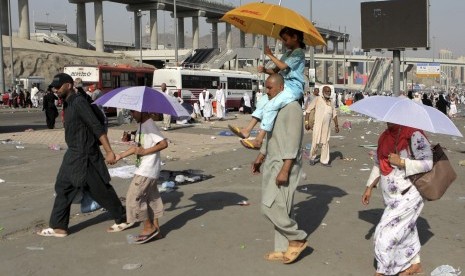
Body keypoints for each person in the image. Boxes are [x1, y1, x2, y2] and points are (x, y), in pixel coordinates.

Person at [37, 73, 132, 238]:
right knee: (63, 187)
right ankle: (59, 227)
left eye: (59, 86)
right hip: (73, 153)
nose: (56, 89)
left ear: (69, 85)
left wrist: (109, 151)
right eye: (54, 87)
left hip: (86, 155)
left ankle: (123, 217)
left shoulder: (79, 102)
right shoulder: (68, 103)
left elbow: (96, 127)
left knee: (100, 189)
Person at [362, 122, 433, 276]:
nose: (389, 121)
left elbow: (428, 163)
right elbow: (378, 162)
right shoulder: (385, 136)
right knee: (407, 229)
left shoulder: (414, 135)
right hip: (391, 196)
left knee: (384, 233)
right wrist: (369, 186)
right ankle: (415, 264)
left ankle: (383, 271)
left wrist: (401, 162)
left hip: (410, 193)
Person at [251, 74, 307, 264]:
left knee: (269, 207)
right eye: (265, 88)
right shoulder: (275, 106)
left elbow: (293, 141)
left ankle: (297, 237)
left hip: (285, 164)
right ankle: (283, 248)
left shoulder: (292, 108)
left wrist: (285, 169)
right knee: (283, 207)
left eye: (269, 88)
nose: (266, 92)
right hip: (272, 161)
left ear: (281, 87)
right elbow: (270, 135)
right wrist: (260, 156)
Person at [228, 27, 306, 149]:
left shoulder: (299, 52)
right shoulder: (287, 54)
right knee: (263, 101)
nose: (283, 43)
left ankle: (259, 140)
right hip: (283, 85)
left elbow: (283, 67)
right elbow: (275, 71)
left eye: (285, 40)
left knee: (271, 105)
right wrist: (265, 70)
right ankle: (247, 130)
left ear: (295, 38)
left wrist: (270, 54)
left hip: (293, 88)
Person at [115, 110, 168, 244]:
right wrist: (120, 156)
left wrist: (145, 151)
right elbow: (135, 148)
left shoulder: (149, 125)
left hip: (146, 170)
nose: (132, 115)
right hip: (146, 169)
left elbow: (163, 143)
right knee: (151, 199)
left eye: (133, 112)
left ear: (141, 111)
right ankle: (156, 230)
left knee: (134, 198)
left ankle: (148, 227)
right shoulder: (141, 126)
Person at [304, 85, 339, 167]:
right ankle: (312, 158)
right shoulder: (317, 99)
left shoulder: (331, 102)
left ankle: (324, 161)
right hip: (317, 125)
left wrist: (336, 125)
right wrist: (306, 122)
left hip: (326, 127)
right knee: (315, 142)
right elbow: (308, 111)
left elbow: (334, 115)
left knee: (325, 142)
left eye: (329, 91)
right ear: (323, 92)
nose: (328, 93)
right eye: (327, 91)